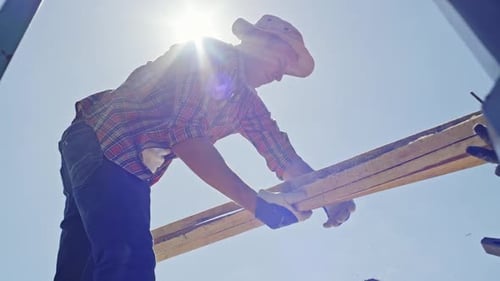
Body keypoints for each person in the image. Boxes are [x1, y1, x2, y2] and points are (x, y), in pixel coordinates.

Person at [54, 14, 356, 281]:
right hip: (109, 146)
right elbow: (187, 139)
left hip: (95, 149)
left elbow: (281, 154)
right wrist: (256, 204)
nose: (279, 76)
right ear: (259, 41)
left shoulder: (246, 104)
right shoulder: (211, 56)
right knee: (128, 261)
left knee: (86, 267)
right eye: (281, 62)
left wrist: (327, 193)